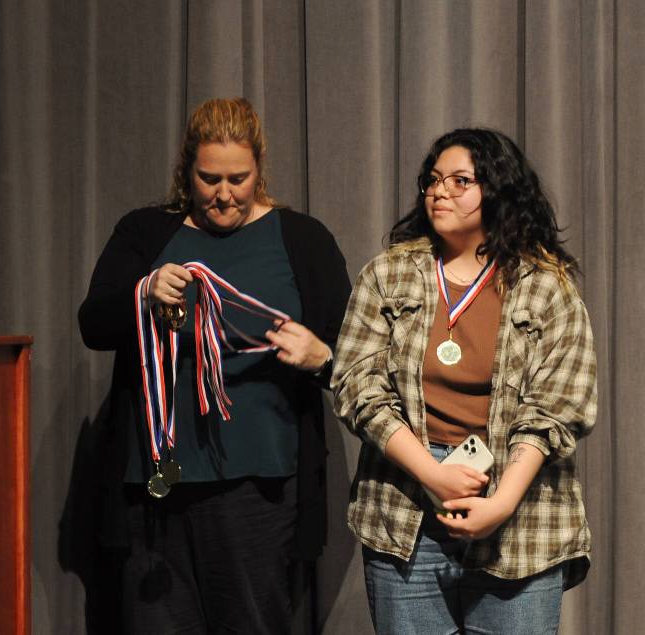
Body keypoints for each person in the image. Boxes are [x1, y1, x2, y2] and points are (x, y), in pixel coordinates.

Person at [78, 97, 351, 634]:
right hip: (156, 485)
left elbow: (356, 355)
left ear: (259, 170)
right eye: (208, 179)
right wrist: (144, 291)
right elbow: (93, 325)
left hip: (259, 489)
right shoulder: (144, 233)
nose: (223, 194)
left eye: (238, 178)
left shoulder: (302, 239)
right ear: (187, 171)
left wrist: (321, 358)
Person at [331, 128, 596, 634]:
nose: (439, 192)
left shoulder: (546, 286)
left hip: (518, 516)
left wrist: (498, 504)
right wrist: (432, 474)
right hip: (407, 508)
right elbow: (357, 385)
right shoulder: (388, 275)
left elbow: (558, 407)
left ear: (497, 190)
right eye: (433, 180)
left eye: (459, 181)